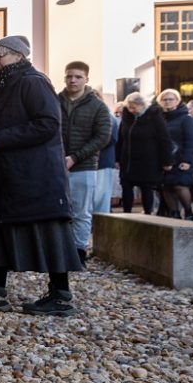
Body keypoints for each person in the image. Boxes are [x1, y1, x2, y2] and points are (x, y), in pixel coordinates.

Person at [0, 36, 85, 316]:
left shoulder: (33, 82)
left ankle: (61, 296)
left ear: (18, 55)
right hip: (5, 176)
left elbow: (48, 124)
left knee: (50, 233)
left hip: (35, 177)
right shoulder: (2, 88)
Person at [57, 61, 113, 263]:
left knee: (81, 211)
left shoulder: (97, 106)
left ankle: (79, 250)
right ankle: (60, 249)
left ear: (86, 79)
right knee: (56, 210)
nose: (73, 80)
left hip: (84, 166)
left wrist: (75, 157)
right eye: (69, 76)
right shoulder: (55, 101)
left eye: (78, 76)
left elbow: (103, 137)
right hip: (55, 165)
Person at [117, 92, 172, 215]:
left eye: (134, 107)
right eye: (129, 107)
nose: (131, 110)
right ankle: (126, 214)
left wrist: (166, 161)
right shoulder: (127, 116)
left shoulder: (155, 117)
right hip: (129, 160)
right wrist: (118, 158)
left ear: (142, 105)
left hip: (148, 161)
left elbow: (164, 140)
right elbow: (121, 138)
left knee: (147, 189)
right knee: (126, 187)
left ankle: (148, 215)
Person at [157, 89, 193, 219]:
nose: (167, 102)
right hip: (164, 158)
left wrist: (187, 160)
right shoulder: (159, 118)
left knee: (180, 186)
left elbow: (191, 140)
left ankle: (188, 212)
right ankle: (174, 213)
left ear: (177, 101)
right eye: (164, 99)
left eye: (170, 99)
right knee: (166, 187)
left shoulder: (186, 118)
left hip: (181, 158)